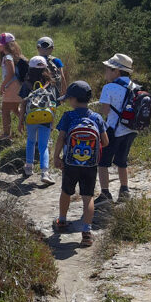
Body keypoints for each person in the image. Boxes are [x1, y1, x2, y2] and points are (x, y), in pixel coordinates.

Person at [52, 81, 109, 247]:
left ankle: (62, 221)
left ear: (74, 99)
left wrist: (57, 157)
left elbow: (61, 138)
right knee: (87, 197)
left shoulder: (68, 116)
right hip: (90, 165)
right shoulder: (96, 117)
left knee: (66, 191)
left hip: (70, 163)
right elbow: (105, 141)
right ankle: (86, 232)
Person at [97, 53, 138, 204]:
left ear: (117, 71)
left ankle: (105, 194)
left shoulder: (108, 88)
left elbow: (105, 111)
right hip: (131, 130)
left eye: (108, 69)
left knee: (102, 162)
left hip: (113, 130)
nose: (106, 72)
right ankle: (124, 190)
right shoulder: (135, 86)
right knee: (122, 161)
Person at [19, 55, 57, 184]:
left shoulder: (26, 84)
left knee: (30, 141)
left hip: (31, 118)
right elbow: (53, 105)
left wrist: (20, 122)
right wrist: (52, 122)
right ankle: (45, 172)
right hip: (46, 118)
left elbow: (23, 104)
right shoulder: (50, 85)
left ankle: (28, 167)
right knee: (43, 146)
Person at [0, 33, 27, 139]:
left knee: (5, 110)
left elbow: (11, 73)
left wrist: (3, 85)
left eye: (1, 44)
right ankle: (28, 125)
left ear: (7, 45)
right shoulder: (15, 56)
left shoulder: (7, 57)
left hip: (11, 86)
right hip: (18, 85)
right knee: (14, 108)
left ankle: (6, 134)